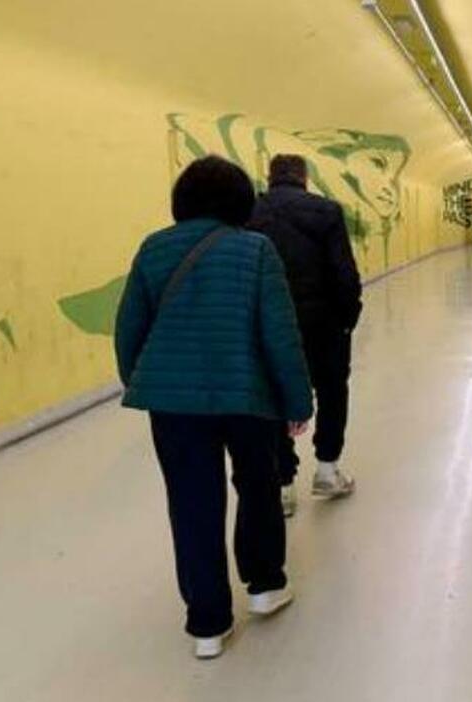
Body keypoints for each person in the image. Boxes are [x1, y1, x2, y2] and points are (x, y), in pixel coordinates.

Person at [114, 155, 313, 660]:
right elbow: (280, 333)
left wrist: (149, 382)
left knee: (191, 503)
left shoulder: (154, 249)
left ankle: (207, 625)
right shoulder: (256, 249)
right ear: (241, 203)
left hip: (174, 407)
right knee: (258, 486)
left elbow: (129, 330)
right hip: (248, 396)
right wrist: (297, 399)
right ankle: (265, 585)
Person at [246, 154, 361, 516]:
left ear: (270, 177)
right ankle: (327, 469)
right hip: (323, 322)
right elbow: (344, 271)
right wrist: (348, 317)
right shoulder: (326, 211)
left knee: (274, 395)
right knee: (331, 390)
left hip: (270, 324)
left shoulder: (250, 213)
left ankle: (283, 485)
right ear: (304, 178)